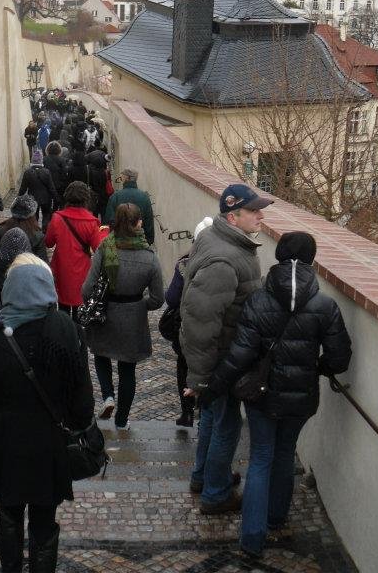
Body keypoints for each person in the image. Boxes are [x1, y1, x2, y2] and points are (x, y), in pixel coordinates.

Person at [208, 232, 352, 558]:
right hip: (301, 399)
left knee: (261, 458)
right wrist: (318, 367)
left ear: (279, 256)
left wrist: (213, 386)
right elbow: (340, 358)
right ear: (312, 261)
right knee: (285, 454)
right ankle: (276, 517)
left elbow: (240, 355)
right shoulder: (324, 305)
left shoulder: (257, 301)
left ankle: (251, 538)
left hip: (261, 396)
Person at [0, 253, 94, 573]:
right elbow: (83, 406)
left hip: (5, 448)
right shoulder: (67, 331)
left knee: (9, 512)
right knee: (44, 520)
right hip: (49, 447)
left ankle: (11, 567)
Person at [180, 184, 273, 515]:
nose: (261, 215)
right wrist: (203, 379)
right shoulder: (224, 259)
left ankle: (203, 476)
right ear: (233, 217)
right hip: (222, 361)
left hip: (223, 357)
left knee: (213, 419)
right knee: (227, 425)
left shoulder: (223, 240)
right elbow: (200, 321)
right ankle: (215, 494)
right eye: (254, 211)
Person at [82, 203, 164, 430]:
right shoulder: (149, 257)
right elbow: (158, 298)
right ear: (139, 224)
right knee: (128, 370)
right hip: (133, 317)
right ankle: (121, 420)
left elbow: (86, 289)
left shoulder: (105, 248)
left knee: (101, 354)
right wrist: (139, 305)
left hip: (106, 313)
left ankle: (108, 395)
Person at [162, 216, 213, 428]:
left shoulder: (185, 263)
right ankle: (205, 411)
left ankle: (187, 412)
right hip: (212, 328)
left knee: (184, 366)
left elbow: (172, 298)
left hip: (186, 326)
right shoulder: (225, 261)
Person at [45, 181, 106, 318]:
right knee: (80, 311)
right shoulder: (91, 222)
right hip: (82, 270)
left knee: (63, 309)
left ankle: (65, 335)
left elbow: (48, 243)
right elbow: (98, 248)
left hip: (61, 270)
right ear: (86, 199)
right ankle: (78, 335)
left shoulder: (57, 218)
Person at [0, 194, 48, 261]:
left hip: (2, 268)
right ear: (32, 213)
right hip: (26, 269)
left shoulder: (0, 229)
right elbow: (42, 261)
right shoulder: (37, 235)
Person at [104, 169, 155, 246]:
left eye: (121, 178)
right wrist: (149, 240)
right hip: (139, 241)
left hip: (119, 241)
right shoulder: (145, 197)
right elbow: (149, 222)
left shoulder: (115, 197)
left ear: (126, 178)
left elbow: (109, 220)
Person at [18, 149, 59, 232]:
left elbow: (23, 188)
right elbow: (51, 187)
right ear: (41, 161)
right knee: (46, 215)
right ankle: (45, 230)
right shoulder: (46, 172)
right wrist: (56, 198)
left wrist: (18, 198)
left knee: (33, 216)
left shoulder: (27, 172)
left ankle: (35, 231)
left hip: (32, 199)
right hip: (46, 199)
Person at [44, 141, 69, 208]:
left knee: (48, 204)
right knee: (57, 202)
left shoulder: (44, 159)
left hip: (46, 185)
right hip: (59, 185)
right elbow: (64, 173)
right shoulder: (62, 160)